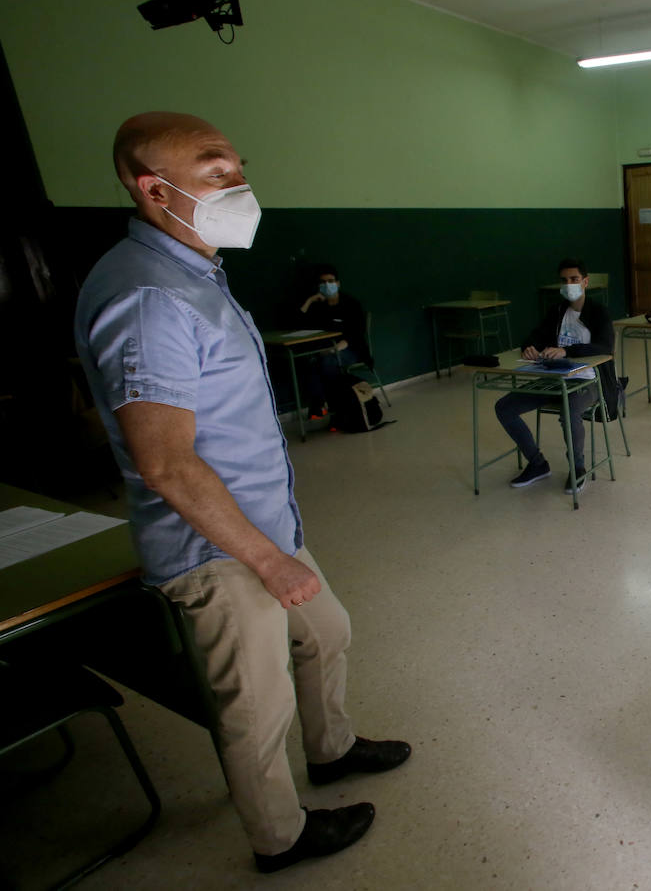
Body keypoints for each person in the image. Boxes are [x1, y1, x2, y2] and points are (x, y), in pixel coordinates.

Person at [73, 112, 410, 874]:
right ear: (151, 188)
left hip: (262, 523)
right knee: (256, 708)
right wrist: (266, 559)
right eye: (217, 171)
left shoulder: (196, 274)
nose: (241, 185)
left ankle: (330, 750)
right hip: (218, 548)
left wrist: (276, 541)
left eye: (239, 168)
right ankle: (279, 837)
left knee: (327, 633)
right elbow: (166, 463)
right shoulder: (148, 296)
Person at [496, 258, 616, 495]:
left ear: (585, 282)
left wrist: (567, 351)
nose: (569, 284)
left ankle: (578, 468)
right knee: (504, 407)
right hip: (554, 377)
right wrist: (529, 346)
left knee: (569, 410)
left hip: (588, 380)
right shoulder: (557, 310)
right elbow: (535, 335)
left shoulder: (599, 312)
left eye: (574, 279)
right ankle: (537, 464)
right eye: (564, 280)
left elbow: (605, 347)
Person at [298, 263, 372, 417]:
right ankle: (321, 405)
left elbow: (357, 333)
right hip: (324, 350)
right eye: (323, 282)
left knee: (328, 362)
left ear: (337, 283)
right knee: (311, 362)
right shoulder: (319, 307)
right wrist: (309, 301)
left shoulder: (351, 303)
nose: (327, 285)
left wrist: (336, 348)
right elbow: (300, 326)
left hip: (350, 350)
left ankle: (330, 405)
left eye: (331, 281)